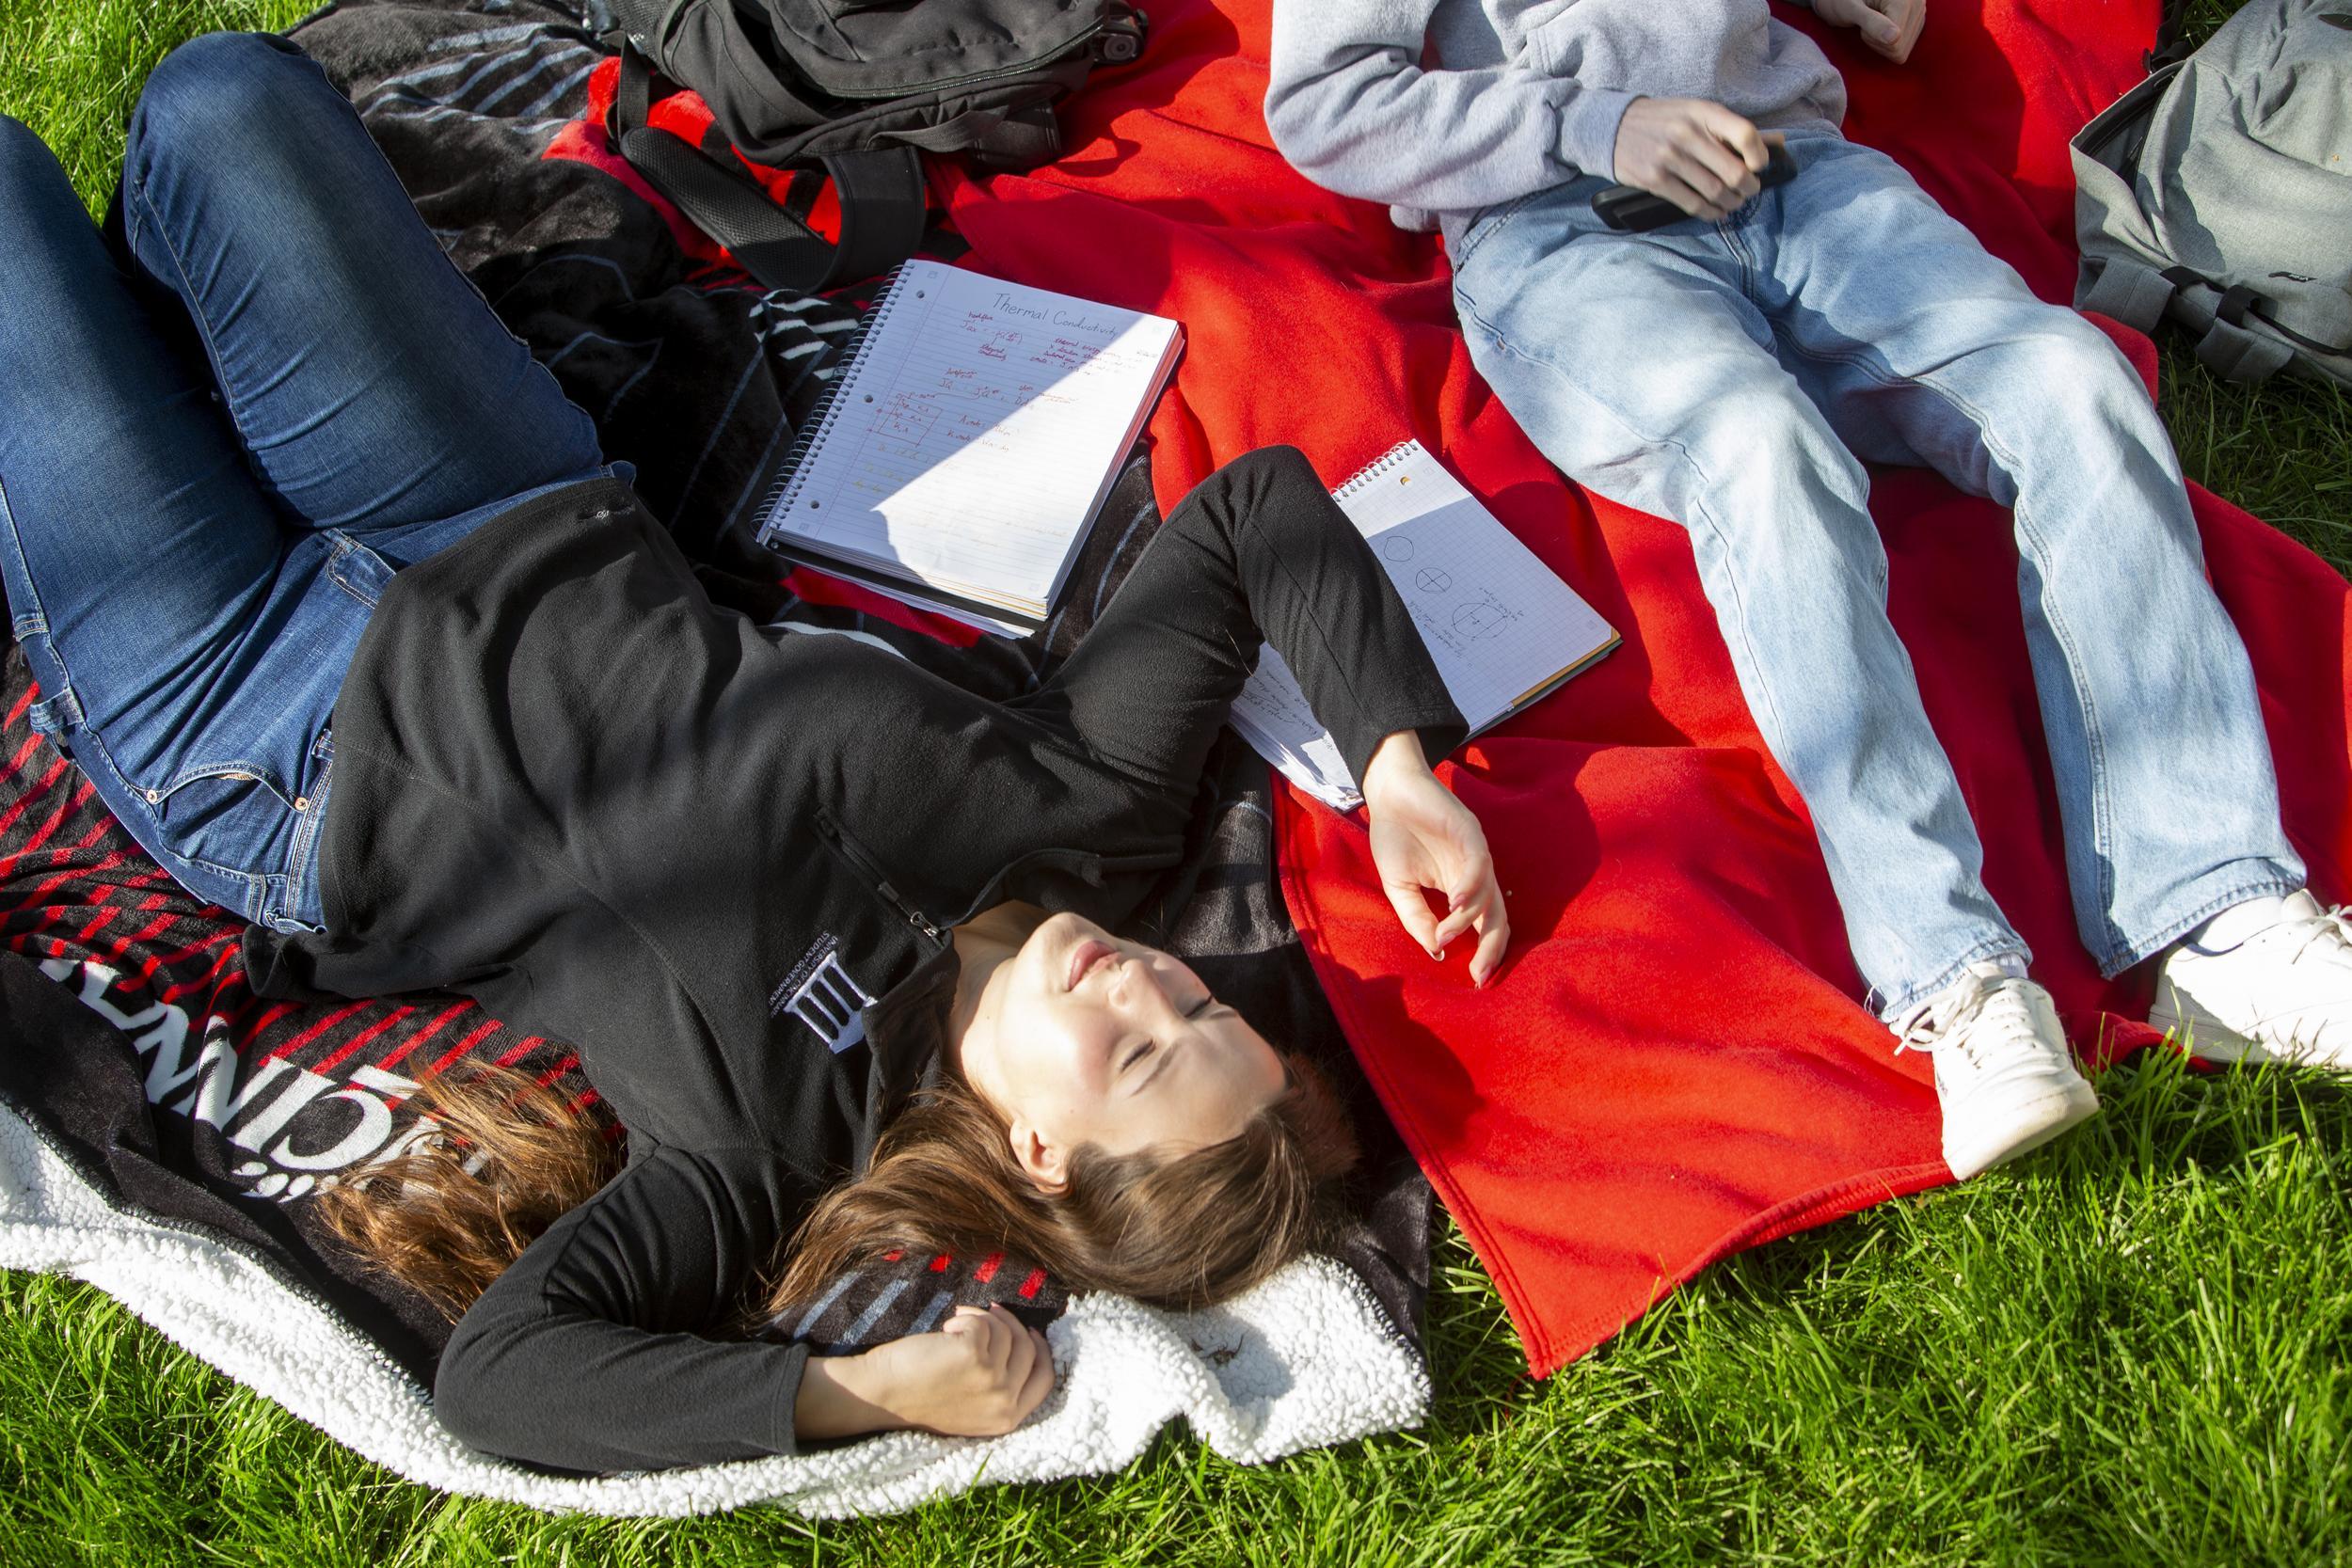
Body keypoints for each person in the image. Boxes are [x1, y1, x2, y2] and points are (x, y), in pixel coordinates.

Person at [0, 32, 1509, 1473]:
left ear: (1039, 1149)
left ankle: (172, 361)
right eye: (1191, 995)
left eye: (1135, 1050)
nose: (1138, 978)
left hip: (266, 730)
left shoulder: (764, 1143)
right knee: (222, 99)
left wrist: (842, 1389)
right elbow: (1256, 514)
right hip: (491, 506)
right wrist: (1396, 763)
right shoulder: (1093, 813)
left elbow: (503, 1371)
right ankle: (188, 340)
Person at [1265, 0, 2352, 1181]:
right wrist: (1592, 122)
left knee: (2070, 382)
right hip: (1554, 232)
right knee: (1761, 453)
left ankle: (2215, 913)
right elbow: (1324, 103)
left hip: (1801, 172)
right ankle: (1955, 981)